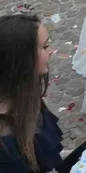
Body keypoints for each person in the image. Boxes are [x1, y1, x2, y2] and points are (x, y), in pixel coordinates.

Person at [0, 14, 62, 173]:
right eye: (44, 47)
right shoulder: (5, 138)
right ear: (22, 58)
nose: (50, 51)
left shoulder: (26, 96)